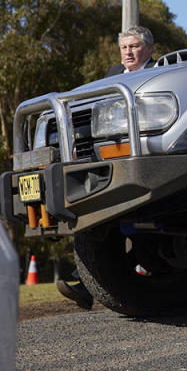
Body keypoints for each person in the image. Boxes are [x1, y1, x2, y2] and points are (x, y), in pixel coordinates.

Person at [56, 25, 157, 309]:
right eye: (124, 47)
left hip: (142, 154)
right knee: (97, 219)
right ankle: (88, 284)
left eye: (135, 46)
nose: (128, 52)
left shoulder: (160, 71)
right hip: (104, 154)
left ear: (149, 49)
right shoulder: (113, 75)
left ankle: (92, 285)